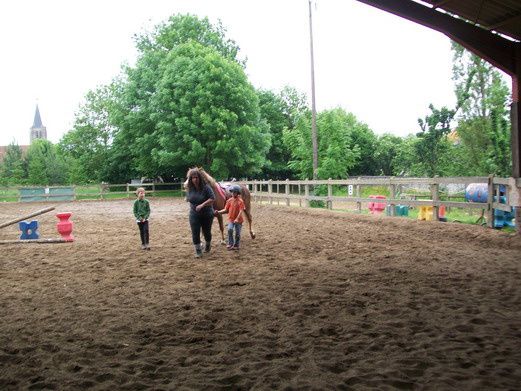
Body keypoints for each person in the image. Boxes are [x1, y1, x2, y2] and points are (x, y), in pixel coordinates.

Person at [185, 167, 215, 258]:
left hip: (207, 213)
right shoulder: (190, 188)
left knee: (207, 232)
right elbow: (189, 197)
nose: (195, 179)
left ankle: (208, 244)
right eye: (193, 178)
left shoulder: (206, 187)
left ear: (200, 178)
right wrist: (188, 199)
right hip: (194, 214)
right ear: (190, 179)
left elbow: (212, 199)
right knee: (195, 232)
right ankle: (198, 251)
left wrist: (202, 205)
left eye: (197, 177)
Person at [215, 185, 245, 250]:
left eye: (234, 192)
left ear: (238, 193)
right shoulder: (229, 201)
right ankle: (230, 243)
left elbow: (241, 211)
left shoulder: (240, 201)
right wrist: (218, 212)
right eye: (232, 192)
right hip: (231, 219)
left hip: (238, 220)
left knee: (237, 234)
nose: (233, 193)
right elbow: (225, 209)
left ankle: (236, 245)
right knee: (229, 229)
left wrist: (237, 219)